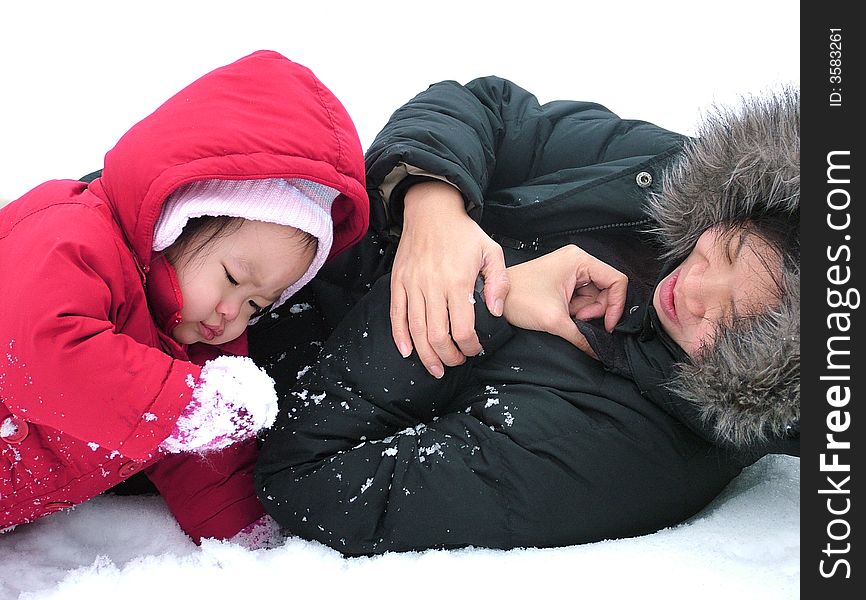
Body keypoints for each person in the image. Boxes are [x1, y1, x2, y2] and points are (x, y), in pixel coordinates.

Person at [251, 76, 799, 555]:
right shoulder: (682, 179)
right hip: (256, 219)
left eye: (730, 323)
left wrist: (487, 296)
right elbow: (494, 110)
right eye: (727, 251)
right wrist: (433, 203)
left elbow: (313, 483)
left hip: (215, 369)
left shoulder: (621, 456)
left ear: (769, 378)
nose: (694, 286)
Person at [0, 50, 369, 546]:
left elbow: (206, 469)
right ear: (178, 220)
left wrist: (251, 542)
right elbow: (41, 354)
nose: (232, 313)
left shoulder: (195, 344)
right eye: (233, 277)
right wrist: (196, 408)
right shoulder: (70, 234)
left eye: (260, 305)